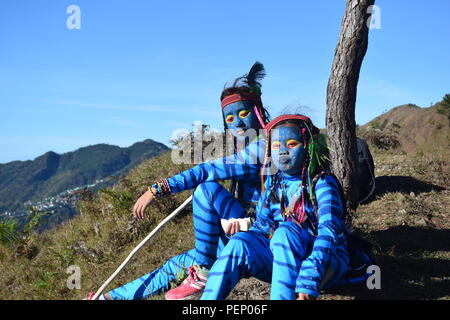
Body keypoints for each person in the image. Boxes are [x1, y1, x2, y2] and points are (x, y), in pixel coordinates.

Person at [86, 62, 271, 300]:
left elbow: (208, 170)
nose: (238, 123)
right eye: (231, 118)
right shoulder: (247, 146)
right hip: (241, 228)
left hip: (262, 235)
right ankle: (107, 298)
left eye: (244, 114)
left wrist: (157, 190)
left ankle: (204, 270)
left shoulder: (265, 146)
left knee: (206, 190)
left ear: (257, 111)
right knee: (176, 264)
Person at [200, 114, 373, 300]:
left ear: (308, 146)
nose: (282, 151)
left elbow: (329, 232)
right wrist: (241, 228)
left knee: (286, 231)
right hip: (286, 261)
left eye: (291, 144)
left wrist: (310, 276)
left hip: (325, 264)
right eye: (276, 146)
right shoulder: (274, 184)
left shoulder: (322, 183)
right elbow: (263, 227)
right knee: (239, 243)